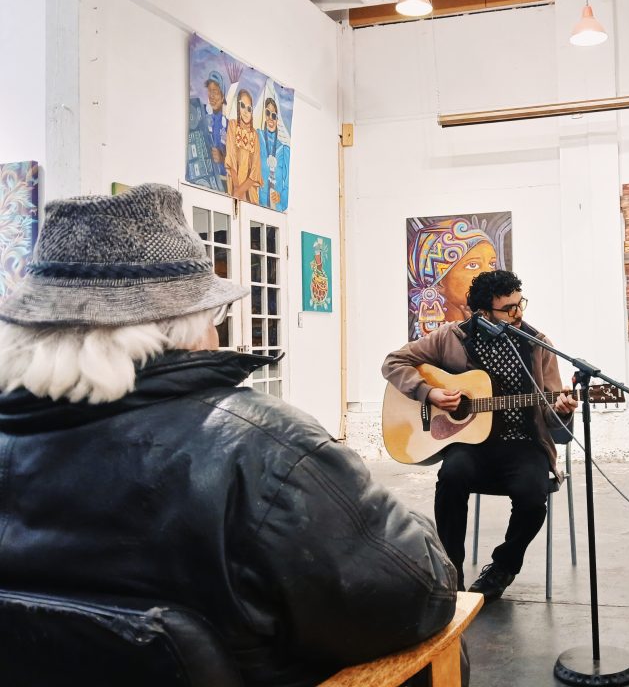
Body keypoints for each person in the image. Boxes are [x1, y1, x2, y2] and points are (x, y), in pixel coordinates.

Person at [0, 184, 457, 686]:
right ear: (185, 325)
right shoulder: (261, 449)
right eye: (215, 315)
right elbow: (418, 594)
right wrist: (393, 515)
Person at [383, 269, 578, 601]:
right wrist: (428, 393)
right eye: (509, 309)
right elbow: (394, 362)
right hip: (471, 444)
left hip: (523, 444)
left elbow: (551, 410)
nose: (519, 314)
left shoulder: (537, 344)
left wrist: (562, 409)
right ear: (483, 313)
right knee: (451, 477)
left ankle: (502, 567)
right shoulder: (451, 337)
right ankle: (451, 572)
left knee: (533, 497)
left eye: (521, 304)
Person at [408, 219, 498, 339]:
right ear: (439, 282)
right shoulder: (434, 343)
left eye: (492, 264)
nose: (489, 275)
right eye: (472, 265)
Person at [226, 88, 263, 203]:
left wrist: (241, 190)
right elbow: (230, 158)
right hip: (234, 184)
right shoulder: (232, 125)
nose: (246, 111)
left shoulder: (255, 135)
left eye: (249, 108)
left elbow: (255, 170)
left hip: (249, 190)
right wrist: (237, 189)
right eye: (242, 106)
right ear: (238, 107)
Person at [257, 96, 290, 212]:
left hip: (275, 211)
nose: (270, 118)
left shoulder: (284, 149)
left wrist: (281, 196)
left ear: (277, 119)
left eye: (274, 115)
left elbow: (288, 183)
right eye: (268, 113)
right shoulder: (257, 137)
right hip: (255, 207)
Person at [205, 71, 229, 190]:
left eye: (215, 92)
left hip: (224, 183)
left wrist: (222, 158)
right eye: (210, 91)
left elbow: (237, 163)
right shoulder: (203, 116)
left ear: (222, 96)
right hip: (206, 181)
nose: (212, 96)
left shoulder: (229, 124)